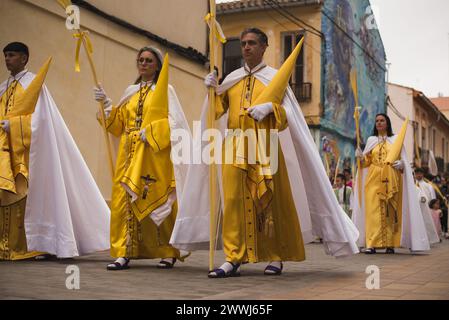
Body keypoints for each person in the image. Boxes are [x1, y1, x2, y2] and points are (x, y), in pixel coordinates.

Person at [170, 28, 359, 278]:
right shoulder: (233, 78)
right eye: (243, 43)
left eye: (252, 43)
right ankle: (233, 257)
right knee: (234, 202)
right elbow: (217, 112)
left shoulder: (273, 78)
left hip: (266, 146)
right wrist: (212, 91)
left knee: (271, 201)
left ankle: (276, 256)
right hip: (235, 145)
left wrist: (271, 108)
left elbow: (287, 117)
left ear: (264, 47)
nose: (246, 47)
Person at [0, 42, 110, 260]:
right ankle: (6, 245)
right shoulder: (4, 87)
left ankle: (30, 246)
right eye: (5, 56)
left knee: (23, 196)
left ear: (24, 58)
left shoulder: (33, 84)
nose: (7, 59)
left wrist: (14, 126)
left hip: (28, 154)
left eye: (11, 55)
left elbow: (41, 120)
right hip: (5, 151)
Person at [93, 46, 190, 270]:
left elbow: (175, 124)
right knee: (123, 200)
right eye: (141, 60)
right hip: (128, 154)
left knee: (158, 199)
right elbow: (117, 127)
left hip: (153, 155)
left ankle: (168, 251)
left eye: (148, 60)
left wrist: (155, 130)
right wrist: (107, 105)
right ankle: (124, 251)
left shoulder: (166, 90)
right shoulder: (131, 92)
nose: (144, 64)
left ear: (157, 66)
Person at [352, 114, 429, 254]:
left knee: (391, 212)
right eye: (377, 121)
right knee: (372, 211)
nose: (379, 123)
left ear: (387, 123)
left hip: (391, 179)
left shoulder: (395, 140)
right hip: (373, 180)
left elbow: (403, 160)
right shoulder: (371, 140)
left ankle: (390, 244)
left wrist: (402, 164)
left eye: (382, 121)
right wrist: (360, 157)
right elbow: (365, 163)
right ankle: (371, 244)